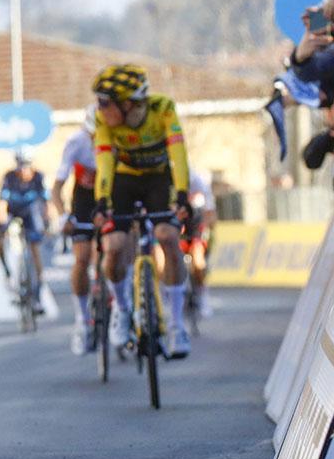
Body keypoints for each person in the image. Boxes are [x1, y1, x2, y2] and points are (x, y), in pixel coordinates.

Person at [91, 64, 193, 359]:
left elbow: (178, 153)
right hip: (123, 179)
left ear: (129, 102)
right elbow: (105, 162)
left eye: (104, 101)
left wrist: (183, 194)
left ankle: (175, 324)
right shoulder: (103, 120)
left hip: (158, 179)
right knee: (115, 246)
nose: (99, 108)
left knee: (167, 236)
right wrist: (102, 200)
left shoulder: (163, 108)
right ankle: (122, 310)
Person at [50, 106, 97, 355]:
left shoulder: (121, 138)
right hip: (84, 201)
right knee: (83, 257)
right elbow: (57, 188)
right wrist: (63, 215)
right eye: (92, 135)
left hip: (112, 196)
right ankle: (82, 318)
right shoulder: (76, 143)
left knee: (116, 252)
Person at [0, 149, 49, 306]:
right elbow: (2, 202)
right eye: (20, 165)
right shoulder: (9, 177)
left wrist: (46, 221)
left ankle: (37, 289)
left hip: (30, 212)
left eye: (26, 165)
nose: (23, 169)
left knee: (35, 249)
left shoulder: (38, 177)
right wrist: (2, 223)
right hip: (12, 210)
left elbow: (45, 203)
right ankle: (7, 270)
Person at [181, 168, 217, 318]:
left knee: (197, 261)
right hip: (178, 227)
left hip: (196, 227)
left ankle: (203, 296)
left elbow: (210, 214)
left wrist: (205, 232)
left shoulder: (198, 181)